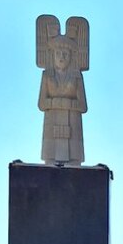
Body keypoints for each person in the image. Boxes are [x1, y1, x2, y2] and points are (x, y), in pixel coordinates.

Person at [38, 36, 87, 166]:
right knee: (50, 163)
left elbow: (83, 106)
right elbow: (42, 104)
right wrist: (59, 103)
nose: (62, 57)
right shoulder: (47, 75)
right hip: (51, 123)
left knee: (74, 164)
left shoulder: (76, 76)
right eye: (58, 54)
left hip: (73, 124)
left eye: (65, 54)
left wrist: (68, 104)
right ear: (52, 56)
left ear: (71, 57)